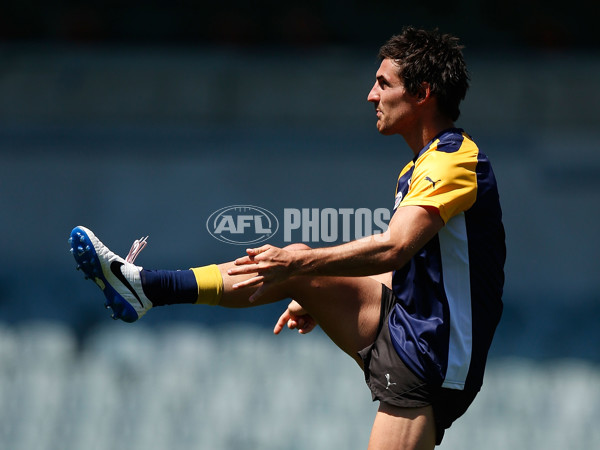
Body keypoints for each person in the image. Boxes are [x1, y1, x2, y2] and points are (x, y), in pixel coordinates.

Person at [69, 26, 505, 449]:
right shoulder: (421, 165)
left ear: (423, 93)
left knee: (294, 261)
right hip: (411, 326)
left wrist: (300, 267)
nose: (371, 96)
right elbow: (415, 264)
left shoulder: (452, 160)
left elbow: (394, 246)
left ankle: (149, 289)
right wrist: (310, 284)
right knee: (294, 260)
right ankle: (148, 288)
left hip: (434, 356)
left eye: (382, 84)